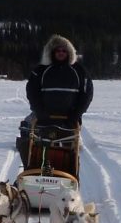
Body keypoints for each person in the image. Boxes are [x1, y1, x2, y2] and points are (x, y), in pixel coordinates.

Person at [17, 34, 93, 166]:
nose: (61, 53)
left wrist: (76, 114)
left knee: (70, 155)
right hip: (44, 118)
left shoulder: (79, 71)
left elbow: (86, 95)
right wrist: (40, 112)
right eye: (58, 50)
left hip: (69, 120)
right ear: (52, 52)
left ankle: (67, 174)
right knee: (40, 150)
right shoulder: (40, 70)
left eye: (64, 50)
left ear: (69, 52)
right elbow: (32, 92)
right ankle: (42, 171)